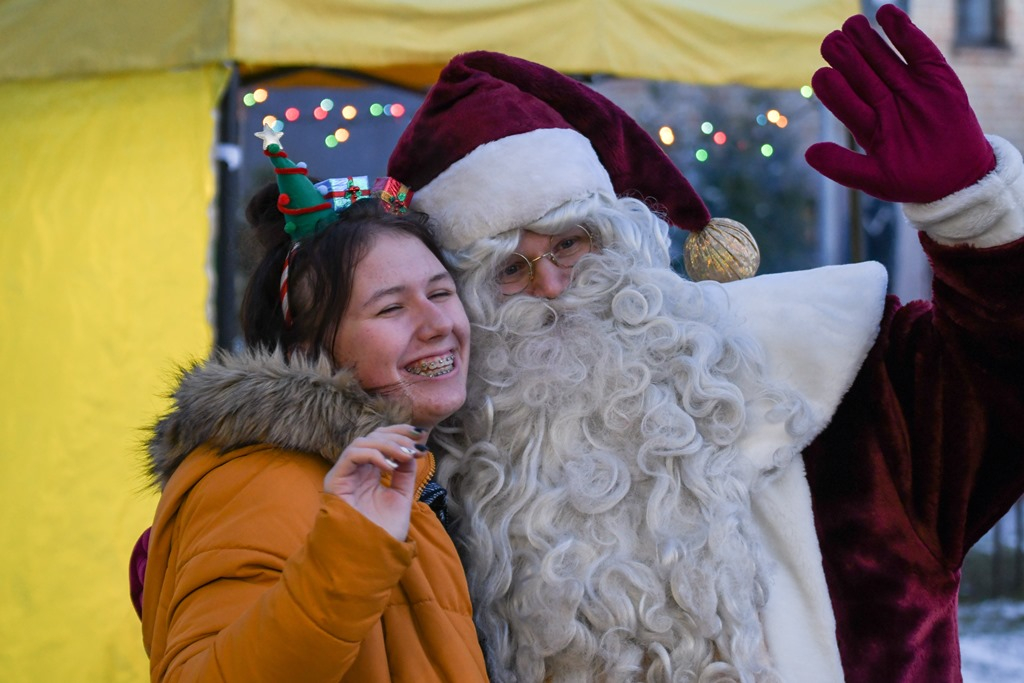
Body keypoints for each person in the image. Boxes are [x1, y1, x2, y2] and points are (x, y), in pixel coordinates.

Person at [385, 6, 1024, 683]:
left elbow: (1003, 371)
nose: (552, 285)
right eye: (510, 269)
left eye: (571, 243)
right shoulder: (431, 496)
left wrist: (973, 212)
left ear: (620, 241)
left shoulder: (833, 378)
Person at [130, 128, 487, 682]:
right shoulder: (256, 479)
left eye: (441, 293)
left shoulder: (400, 464)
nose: (439, 324)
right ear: (307, 349)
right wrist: (350, 553)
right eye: (391, 309)